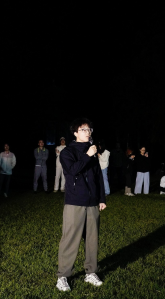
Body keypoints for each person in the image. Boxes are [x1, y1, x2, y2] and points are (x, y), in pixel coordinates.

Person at [56, 118, 106, 292]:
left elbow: (98, 177)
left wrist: (101, 199)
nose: (88, 132)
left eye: (89, 129)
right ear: (75, 133)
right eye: (84, 129)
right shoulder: (67, 152)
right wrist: (87, 156)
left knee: (92, 240)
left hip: (92, 203)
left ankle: (91, 272)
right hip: (75, 202)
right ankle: (63, 276)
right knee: (70, 239)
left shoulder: (92, 151)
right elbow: (72, 171)